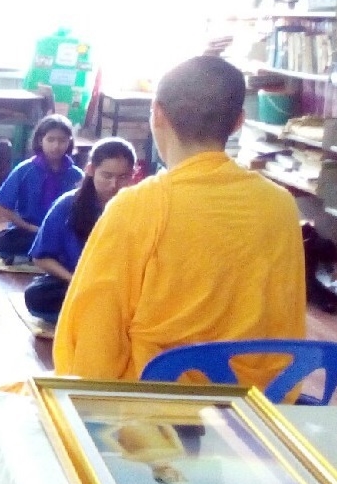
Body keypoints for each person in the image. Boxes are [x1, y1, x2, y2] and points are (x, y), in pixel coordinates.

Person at [54, 56, 306, 389]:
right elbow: (285, 321)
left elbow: (94, 330)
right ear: (238, 122)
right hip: (252, 401)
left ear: (157, 113)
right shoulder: (281, 205)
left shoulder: (136, 206)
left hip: (156, 398)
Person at [24, 138, 136, 322]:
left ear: (133, 174)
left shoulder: (139, 207)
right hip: (77, 281)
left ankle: (100, 315)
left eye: (123, 177)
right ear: (90, 170)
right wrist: (75, 280)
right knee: (37, 296)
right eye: (107, 176)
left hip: (120, 287)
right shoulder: (68, 204)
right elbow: (41, 257)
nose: (114, 185)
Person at [0, 114, 84, 263]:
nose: (56, 146)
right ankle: (47, 257)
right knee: (2, 241)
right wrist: (29, 227)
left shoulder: (76, 175)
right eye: (51, 140)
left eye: (62, 140)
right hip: (30, 231)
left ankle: (32, 257)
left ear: (69, 142)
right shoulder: (25, 170)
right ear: (41, 140)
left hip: (62, 233)